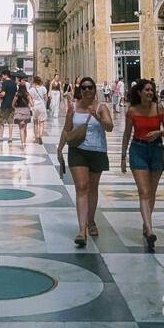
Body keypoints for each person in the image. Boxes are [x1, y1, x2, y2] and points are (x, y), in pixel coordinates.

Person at [61, 77, 113, 248]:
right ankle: (82, 230)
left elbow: (110, 127)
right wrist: (59, 149)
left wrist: (97, 117)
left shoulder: (101, 107)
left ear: (94, 89)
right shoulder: (73, 108)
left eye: (90, 87)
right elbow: (67, 130)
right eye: (84, 88)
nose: (87, 90)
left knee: (92, 187)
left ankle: (91, 221)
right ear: (80, 90)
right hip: (78, 151)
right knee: (81, 187)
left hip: (97, 151)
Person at [120, 78, 164, 250]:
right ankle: (149, 230)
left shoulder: (159, 108)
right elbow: (127, 134)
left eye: (152, 90)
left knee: (152, 191)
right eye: (147, 90)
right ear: (140, 92)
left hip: (156, 151)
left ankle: (146, 223)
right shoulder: (132, 111)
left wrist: (160, 132)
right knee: (144, 191)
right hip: (138, 150)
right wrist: (122, 157)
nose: (150, 92)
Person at [0, 69, 17, 144]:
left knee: (2, 121)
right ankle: (10, 138)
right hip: (12, 105)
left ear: (6, 75)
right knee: (10, 122)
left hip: (5, 104)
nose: (2, 77)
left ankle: (1, 137)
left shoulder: (4, 83)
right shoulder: (14, 83)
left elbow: (3, 94)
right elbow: (16, 93)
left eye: (2, 75)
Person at [13, 79, 33, 150]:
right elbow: (32, 104)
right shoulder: (27, 94)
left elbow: (13, 104)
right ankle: (24, 142)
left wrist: (16, 108)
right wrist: (28, 105)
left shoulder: (17, 94)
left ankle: (22, 143)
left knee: (21, 128)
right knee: (25, 128)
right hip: (26, 112)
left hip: (19, 112)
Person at [29, 74, 48, 144]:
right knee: (42, 123)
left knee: (35, 123)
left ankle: (36, 137)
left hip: (35, 106)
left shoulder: (32, 89)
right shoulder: (43, 88)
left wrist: (32, 104)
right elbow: (46, 98)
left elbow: (30, 99)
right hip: (41, 106)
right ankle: (40, 136)